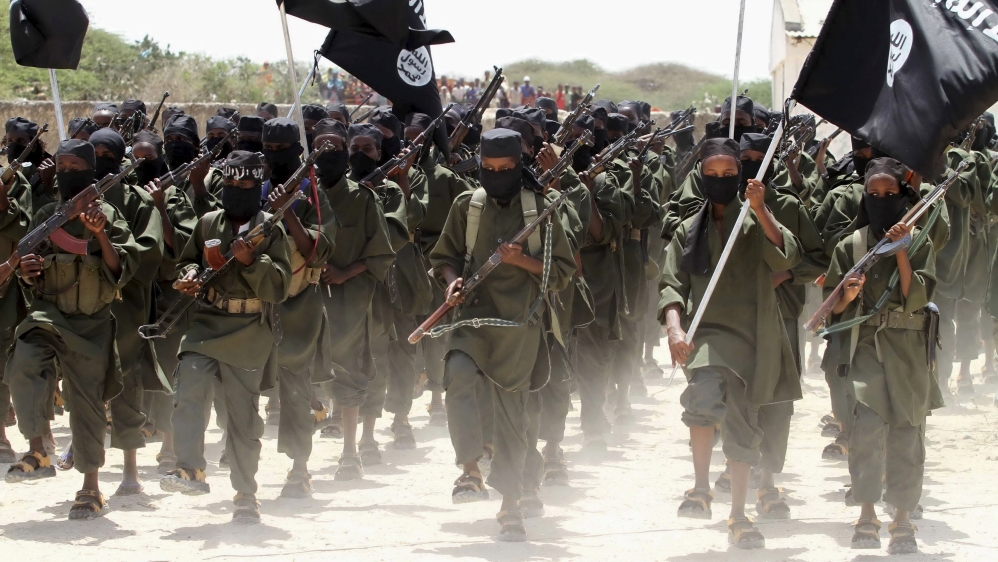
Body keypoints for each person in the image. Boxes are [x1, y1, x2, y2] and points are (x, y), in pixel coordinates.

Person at [429, 128, 576, 542]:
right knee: (457, 372)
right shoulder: (467, 206)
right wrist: (452, 282)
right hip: (474, 319)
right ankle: (471, 466)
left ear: (520, 167)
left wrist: (522, 261)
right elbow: (445, 257)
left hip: (519, 324)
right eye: (488, 169)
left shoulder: (541, 209)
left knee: (514, 417)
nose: (496, 176)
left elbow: (563, 273)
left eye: (506, 169)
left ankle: (512, 505)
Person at [661, 138, 802, 549]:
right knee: (702, 396)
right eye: (711, 175)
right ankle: (701, 488)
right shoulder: (689, 230)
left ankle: (739, 515)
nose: (720, 181)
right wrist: (674, 328)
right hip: (706, 332)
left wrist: (759, 208)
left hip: (753, 334)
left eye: (728, 175)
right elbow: (671, 284)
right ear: (700, 177)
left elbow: (786, 255)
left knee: (744, 421)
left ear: (740, 176)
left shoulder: (755, 220)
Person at [5, 139, 139, 520]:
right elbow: (32, 270)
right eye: (61, 167)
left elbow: (121, 272)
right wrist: (28, 274)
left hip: (92, 323)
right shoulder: (48, 212)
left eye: (75, 167)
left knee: (88, 406)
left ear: (91, 171)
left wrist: (98, 234)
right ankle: (38, 447)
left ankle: (91, 488)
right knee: (23, 361)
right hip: (49, 315)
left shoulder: (110, 215)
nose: (66, 174)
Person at [160, 150, 292, 523]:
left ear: (256, 184)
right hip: (207, 321)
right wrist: (188, 276)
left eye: (244, 183)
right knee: (188, 383)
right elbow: (187, 260)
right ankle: (189, 469)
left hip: (250, 327)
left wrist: (252, 261)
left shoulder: (270, 228)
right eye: (230, 182)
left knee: (242, 419)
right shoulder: (208, 222)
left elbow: (280, 286)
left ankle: (245, 494)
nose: (236, 189)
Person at [823, 158, 937, 555]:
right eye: (874, 195)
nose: (882, 201)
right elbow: (831, 309)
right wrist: (848, 296)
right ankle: (867, 512)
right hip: (866, 346)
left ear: (904, 197)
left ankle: (902, 518)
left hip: (907, 349)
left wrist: (902, 250)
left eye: (890, 195)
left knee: (907, 432)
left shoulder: (921, 240)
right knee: (867, 427)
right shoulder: (849, 245)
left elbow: (917, 297)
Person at [314, 121, 395, 478]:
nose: (327, 155)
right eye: (320, 147)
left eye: (334, 148)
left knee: (349, 370)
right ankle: (300, 464)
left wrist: (345, 273)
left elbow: (380, 253)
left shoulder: (363, 199)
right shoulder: (303, 196)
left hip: (350, 298)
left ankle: (351, 452)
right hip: (306, 296)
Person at [261, 118, 336, 498]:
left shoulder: (313, 194)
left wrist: (287, 210)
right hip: (253, 305)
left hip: (298, 304)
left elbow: (316, 250)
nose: (275, 157)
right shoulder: (249, 186)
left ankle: (298, 468)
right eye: (269, 150)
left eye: (283, 150)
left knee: (294, 387)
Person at [91, 128, 166, 496]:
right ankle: (89, 470)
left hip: (127, 306)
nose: (100, 158)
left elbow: (150, 251)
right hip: (83, 306)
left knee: (126, 384)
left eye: (108, 153)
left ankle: (130, 470)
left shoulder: (138, 200)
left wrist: (117, 258)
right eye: (95, 152)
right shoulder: (73, 198)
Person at [130, 129, 199, 475]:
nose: (142, 164)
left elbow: (183, 247)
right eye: (136, 158)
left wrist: (159, 205)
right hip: (137, 294)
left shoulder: (174, 198)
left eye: (149, 158)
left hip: (170, 295)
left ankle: (170, 446)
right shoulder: (128, 195)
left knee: (172, 369)